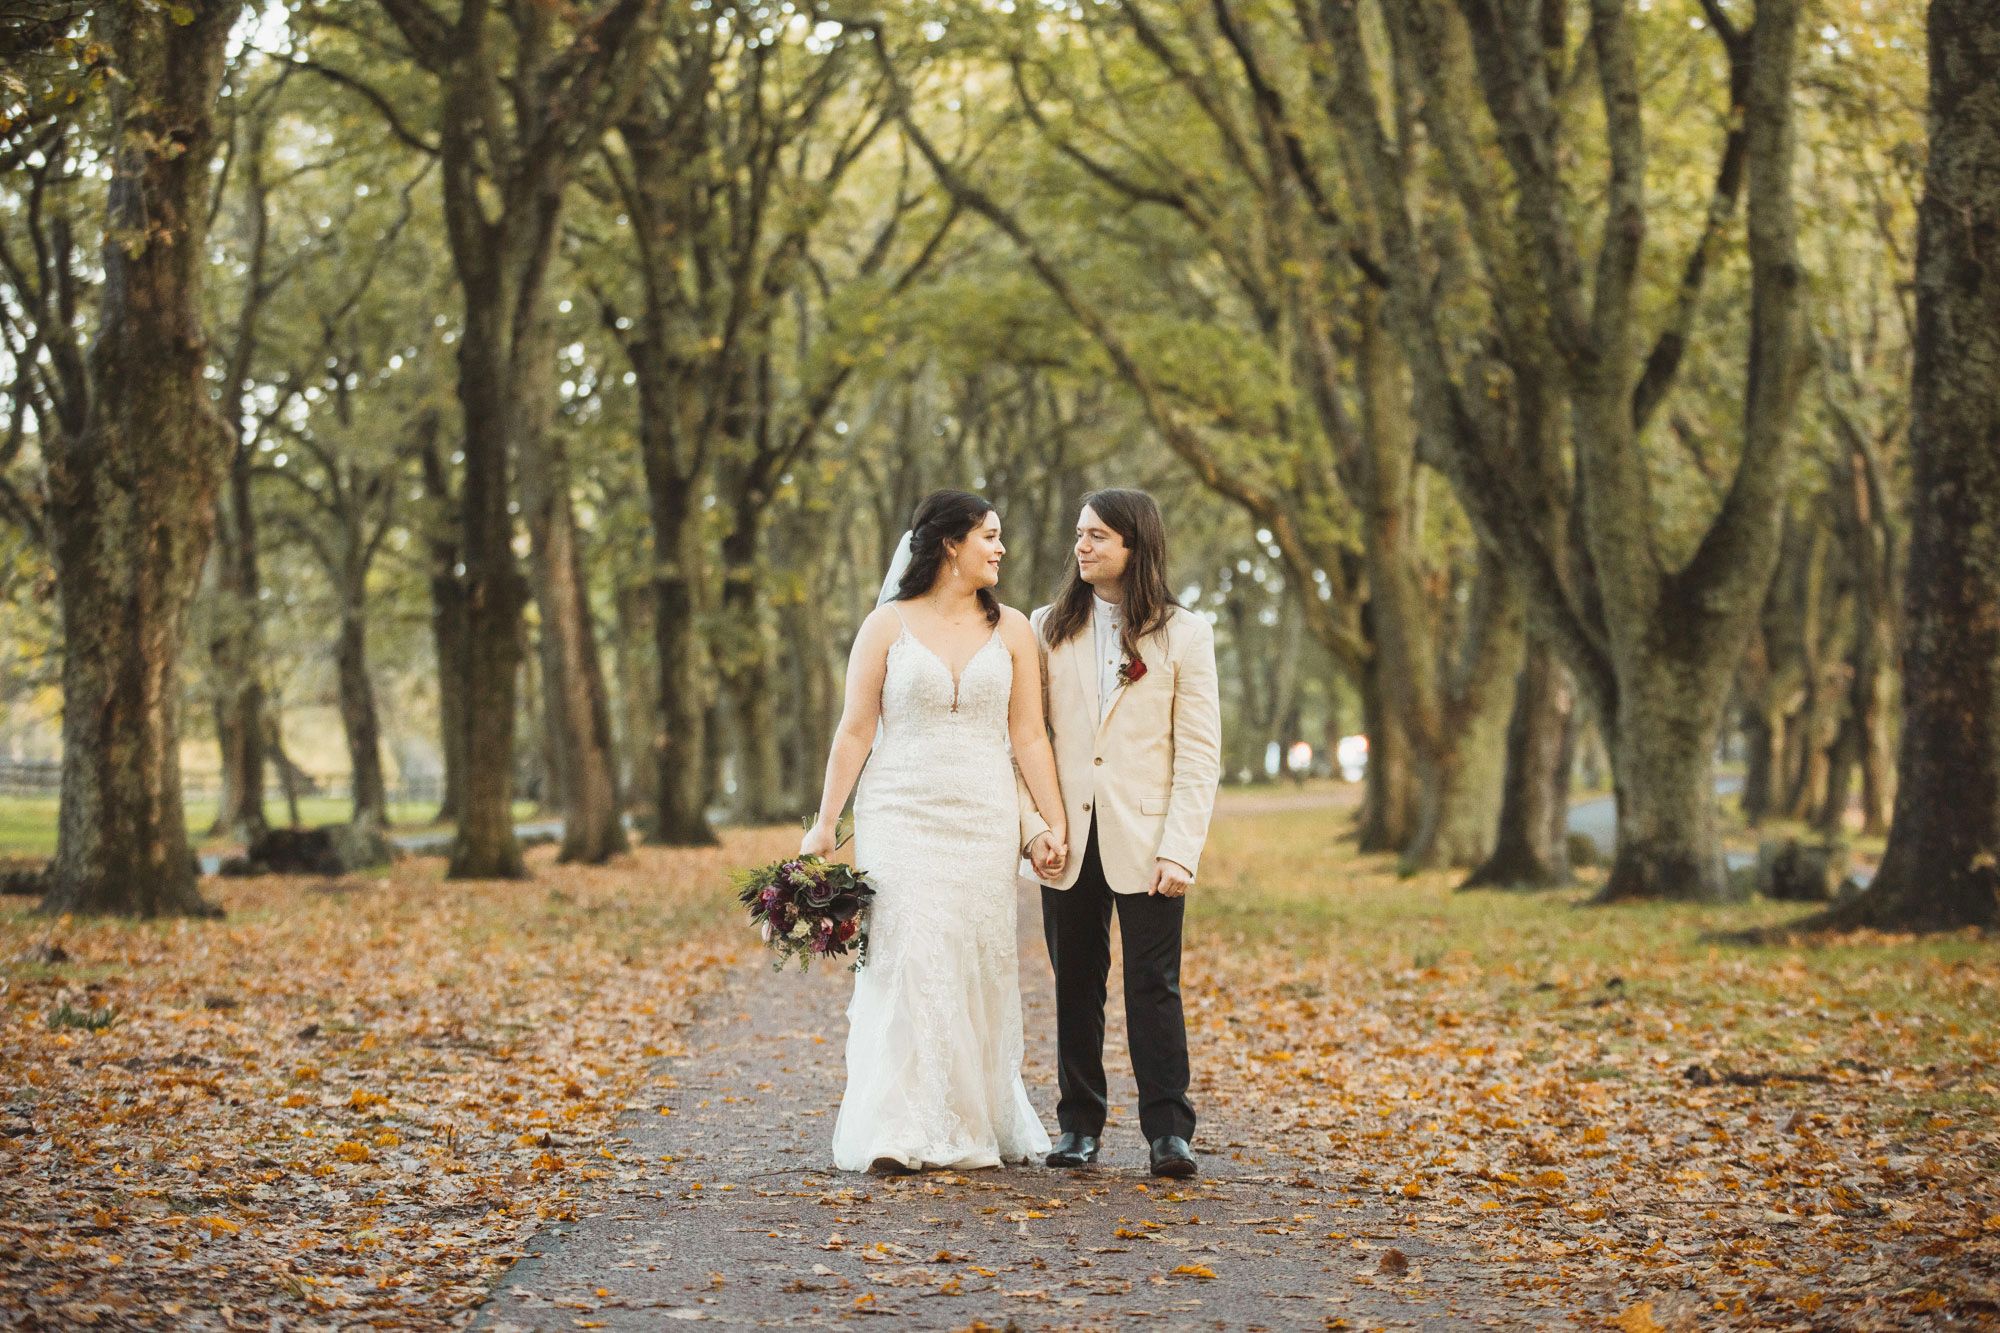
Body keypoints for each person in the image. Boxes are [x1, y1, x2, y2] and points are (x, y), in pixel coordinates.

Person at [801, 490, 1066, 1173]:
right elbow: (856, 728)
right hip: (900, 810)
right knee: (910, 955)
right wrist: (825, 824)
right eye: (990, 535)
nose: (1000, 548)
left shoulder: (1011, 630)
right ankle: (898, 1125)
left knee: (970, 960)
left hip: (982, 814)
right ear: (951, 543)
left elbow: (1029, 735)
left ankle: (970, 1117)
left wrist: (1053, 820)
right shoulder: (885, 626)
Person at [1017, 489, 1222, 1179]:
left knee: (1153, 986)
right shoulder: (1047, 628)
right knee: (1075, 982)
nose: (1083, 546)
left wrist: (1180, 849)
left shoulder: (1185, 634)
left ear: (1135, 544)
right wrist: (1035, 827)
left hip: (1149, 839)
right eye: (1079, 533)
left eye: (1098, 535)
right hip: (1065, 839)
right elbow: (1025, 738)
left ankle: (1170, 1130)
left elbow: (1199, 754)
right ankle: (1079, 1125)